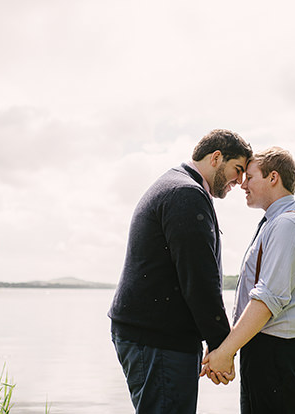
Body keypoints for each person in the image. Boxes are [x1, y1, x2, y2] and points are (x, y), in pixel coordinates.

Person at [108, 129, 253, 414]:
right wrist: (221, 344)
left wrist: (216, 343)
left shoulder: (179, 186)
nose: (240, 180)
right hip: (157, 341)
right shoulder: (185, 193)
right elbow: (198, 278)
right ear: (216, 157)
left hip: (152, 336)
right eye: (238, 169)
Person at [201, 146, 295, 414]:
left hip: (278, 352)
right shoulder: (276, 223)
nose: (243, 184)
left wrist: (226, 351)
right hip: (272, 349)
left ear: (273, 178)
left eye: (250, 176)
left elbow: (268, 299)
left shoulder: (286, 225)